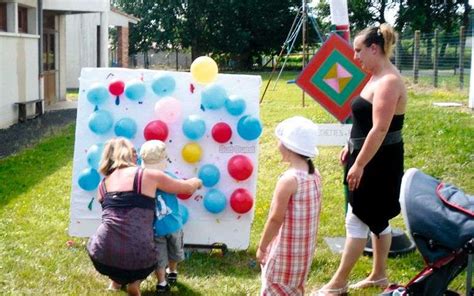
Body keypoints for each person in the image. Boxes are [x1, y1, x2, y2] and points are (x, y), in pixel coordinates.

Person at [316, 23, 407, 295]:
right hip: (370, 156)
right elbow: (365, 122)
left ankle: (338, 282)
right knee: (378, 219)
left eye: (359, 51)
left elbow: (380, 129)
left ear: (374, 48)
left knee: (357, 217)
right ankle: (379, 275)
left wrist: (359, 164)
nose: (355, 57)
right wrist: (350, 146)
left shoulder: (389, 81)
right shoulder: (376, 76)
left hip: (379, 162)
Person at [86, 138, 201, 296]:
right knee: (136, 246)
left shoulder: (103, 185)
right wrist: (196, 181)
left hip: (102, 254)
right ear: (129, 154)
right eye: (134, 151)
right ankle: (134, 282)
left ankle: (117, 280)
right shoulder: (148, 176)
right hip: (140, 257)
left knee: (117, 234)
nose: (137, 155)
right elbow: (186, 188)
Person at [257, 116, 322, 296]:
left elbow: (275, 218)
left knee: (275, 289)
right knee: (294, 289)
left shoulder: (289, 180)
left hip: (284, 255)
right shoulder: (314, 173)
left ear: (288, 147)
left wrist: (262, 247)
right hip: (303, 253)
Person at [139, 140, 191, 294]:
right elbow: (183, 188)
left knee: (161, 256)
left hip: (156, 227)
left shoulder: (141, 180)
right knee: (170, 253)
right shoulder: (167, 177)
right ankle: (166, 277)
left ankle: (166, 277)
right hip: (170, 225)